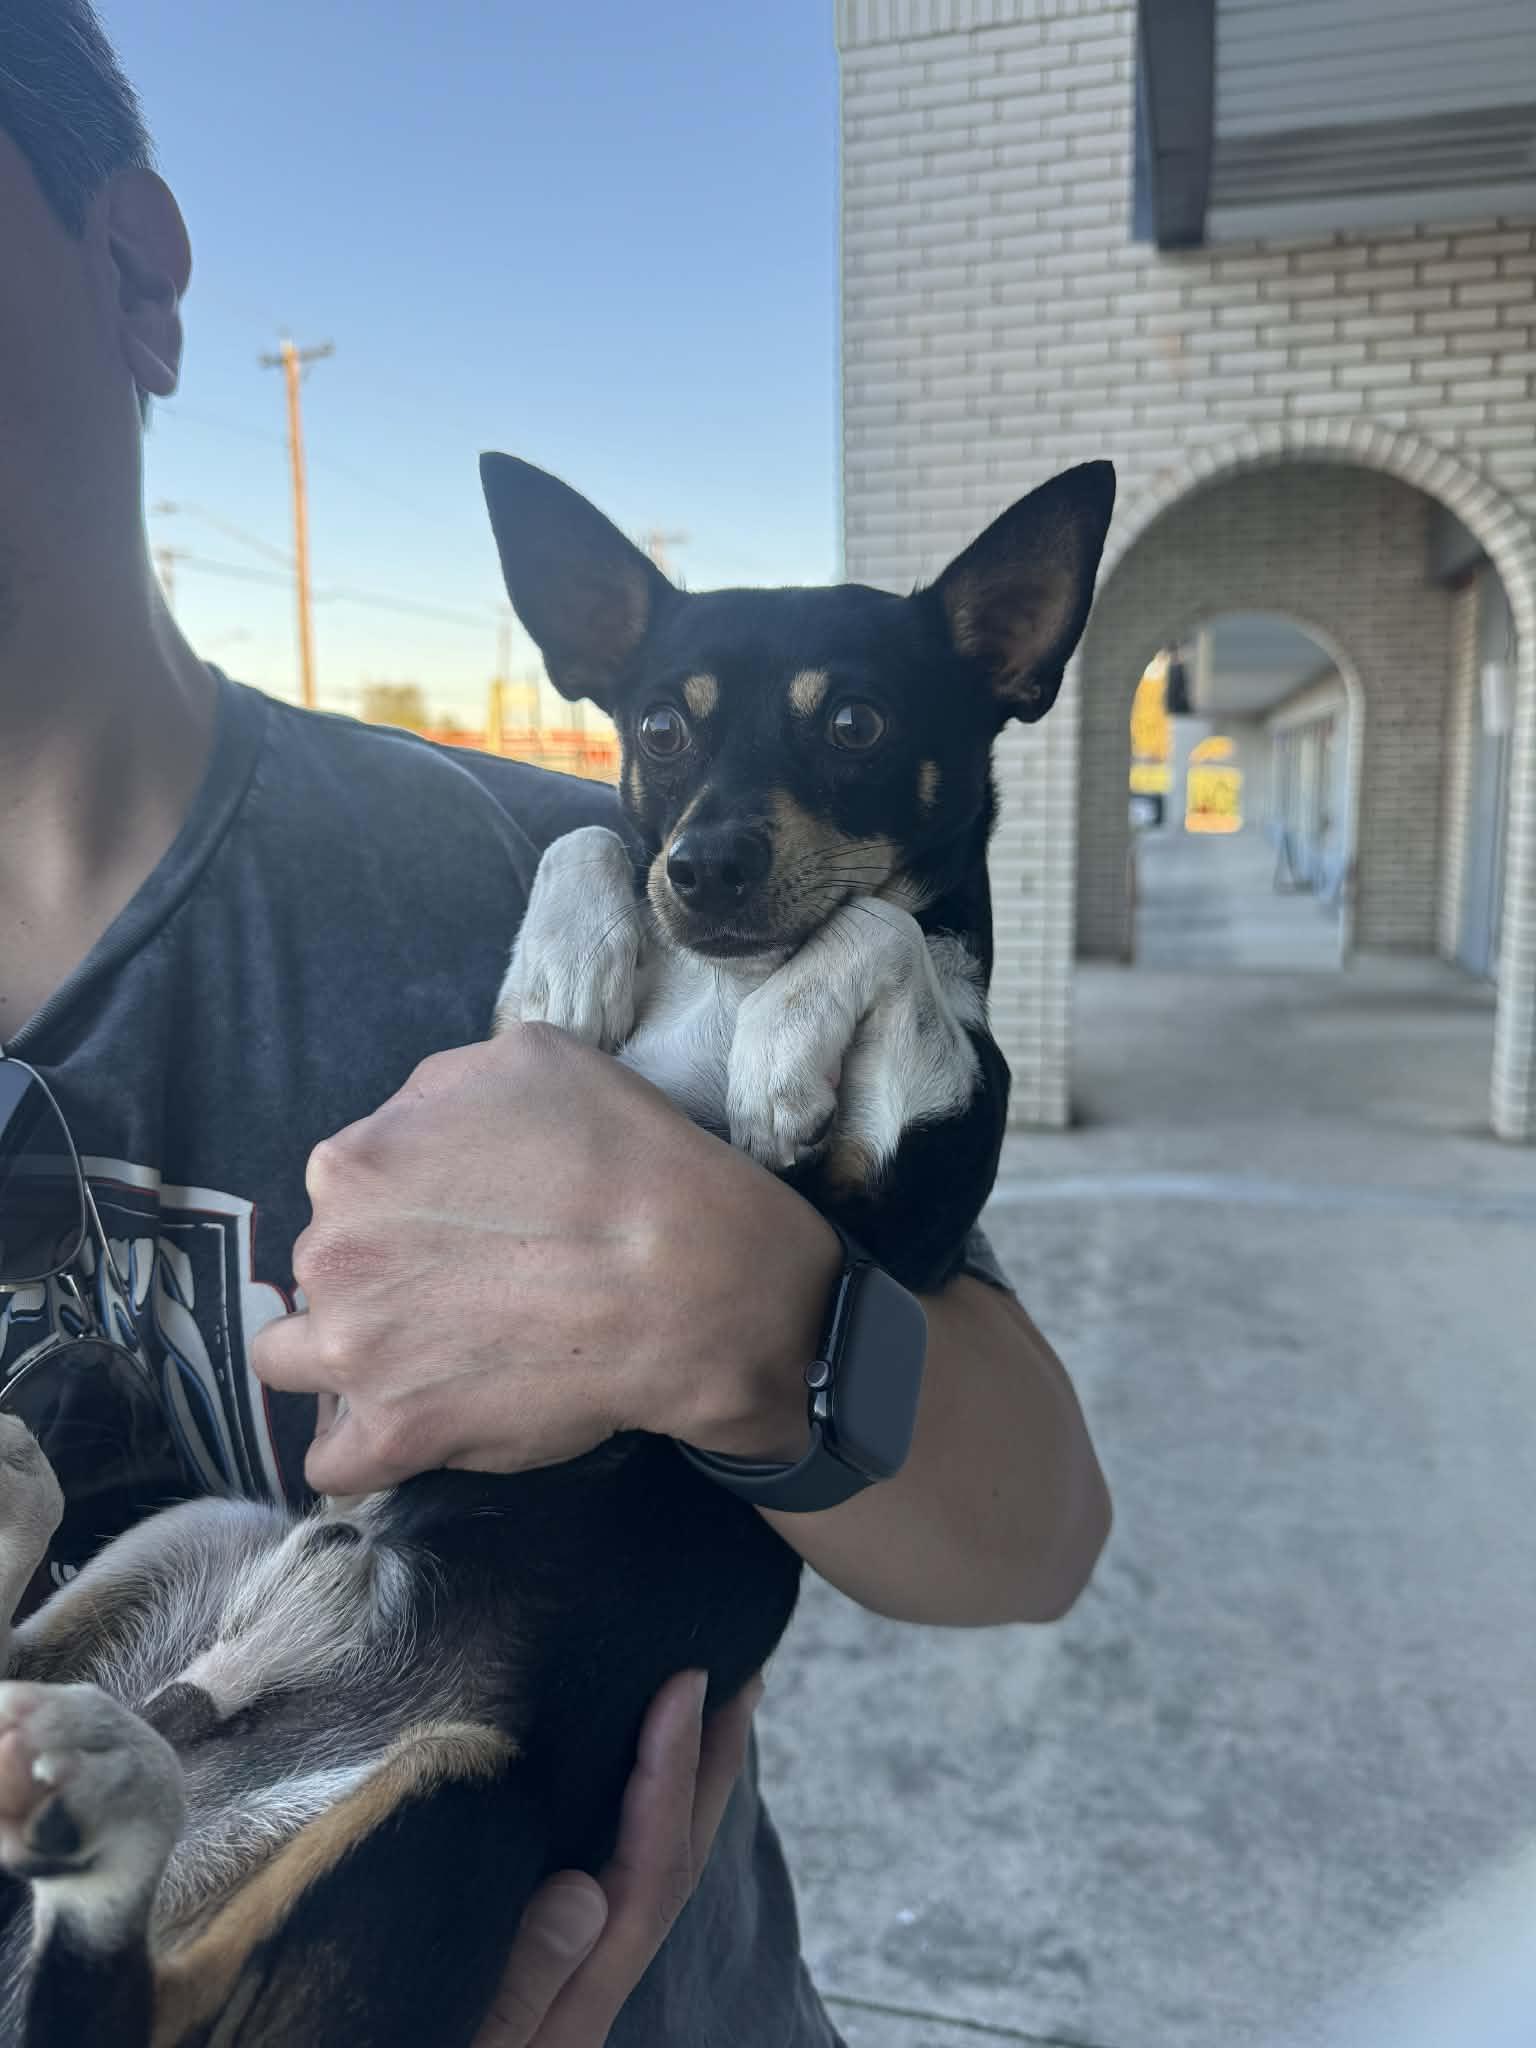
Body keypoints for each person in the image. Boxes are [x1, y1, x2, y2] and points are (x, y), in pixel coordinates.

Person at [0, 6, 1112, 2042]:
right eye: (682, 738)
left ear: (133, 275)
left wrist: (746, 1312)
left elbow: (1037, 1527)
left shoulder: (563, 903)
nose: (724, 810)